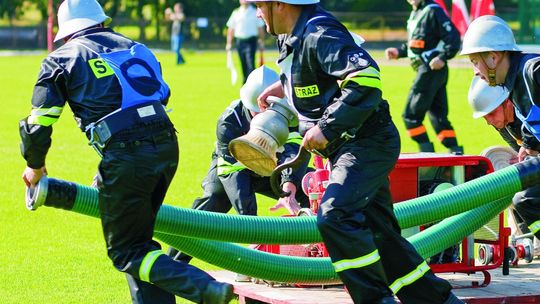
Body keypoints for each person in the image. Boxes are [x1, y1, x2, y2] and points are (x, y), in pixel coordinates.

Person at [19, 1, 233, 303]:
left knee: (127, 251)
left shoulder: (62, 58)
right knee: (140, 241)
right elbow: (160, 93)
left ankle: (205, 287)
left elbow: (38, 124)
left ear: (67, 32)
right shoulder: (137, 47)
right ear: (100, 21)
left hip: (127, 154)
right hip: (167, 145)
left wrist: (34, 165)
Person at [248, 0, 462, 303]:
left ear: (280, 5)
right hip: (353, 145)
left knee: (335, 215)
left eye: (259, 4)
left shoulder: (320, 32)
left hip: (366, 142)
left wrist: (327, 127)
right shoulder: (292, 34)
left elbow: (366, 79)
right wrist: (284, 88)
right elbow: (317, 74)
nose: (257, 12)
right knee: (382, 237)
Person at [167, 66, 311, 273]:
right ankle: (172, 266)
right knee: (209, 208)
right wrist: (249, 223)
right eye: (256, 111)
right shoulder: (229, 121)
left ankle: (325, 257)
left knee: (313, 188)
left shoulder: (290, 115)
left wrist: (289, 188)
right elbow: (231, 171)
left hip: (275, 168)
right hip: (233, 169)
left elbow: (293, 153)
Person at [467, 75, 540, 246]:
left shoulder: (529, 111)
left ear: (508, 102)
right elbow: (521, 150)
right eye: (485, 117)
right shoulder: (503, 122)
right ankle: (527, 238)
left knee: (524, 199)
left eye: (492, 114)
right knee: (513, 190)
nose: (489, 121)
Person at [385, 0, 462, 153]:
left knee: (410, 117)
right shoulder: (417, 12)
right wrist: (399, 52)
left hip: (430, 70)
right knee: (438, 117)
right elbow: (417, 43)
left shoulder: (433, 11)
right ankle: (456, 154)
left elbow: (453, 37)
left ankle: (427, 155)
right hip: (430, 71)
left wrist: (442, 57)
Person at [226, 0, 266, 83]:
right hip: (240, 42)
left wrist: (262, 41)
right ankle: (245, 84)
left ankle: (253, 84)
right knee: (243, 65)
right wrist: (229, 43)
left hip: (251, 41)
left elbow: (260, 28)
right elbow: (231, 29)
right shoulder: (236, 12)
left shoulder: (255, 11)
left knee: (250, 64)